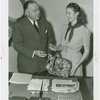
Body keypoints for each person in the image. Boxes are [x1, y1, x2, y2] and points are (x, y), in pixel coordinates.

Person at [12, 0, 56, 74]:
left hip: (44, 66)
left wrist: (50, 54)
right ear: (27, 13)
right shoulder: (18, 25)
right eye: (34, 11)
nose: (38, 12)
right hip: (27, 67)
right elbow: (17, 45)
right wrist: (33, 53)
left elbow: (50, 40)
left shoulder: (45, 23)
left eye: (38, 9)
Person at [50, 3, 91, 76]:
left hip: (75, 62)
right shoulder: (65, 28)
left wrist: (76, 66)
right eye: (66, 13)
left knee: (73, 85)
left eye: (69, 13)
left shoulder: (84, 31)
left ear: (77, 13)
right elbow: (63, 45)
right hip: (63, 61)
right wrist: (56, 48)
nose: (67, 15)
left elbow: (87, 52)